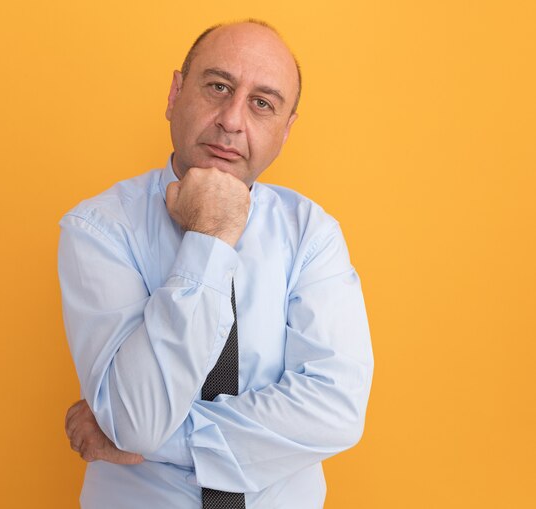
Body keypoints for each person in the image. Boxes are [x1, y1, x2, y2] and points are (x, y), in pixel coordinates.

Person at [58, 19, 374, 509]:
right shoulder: (99, 228)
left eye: (262, 103)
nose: (232, 119)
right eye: (218, 87)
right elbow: (137, 418)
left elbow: (335, 410)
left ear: (286, 131)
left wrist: (161, 443)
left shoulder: (311, 233)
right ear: (175, 94)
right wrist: (211, 238)